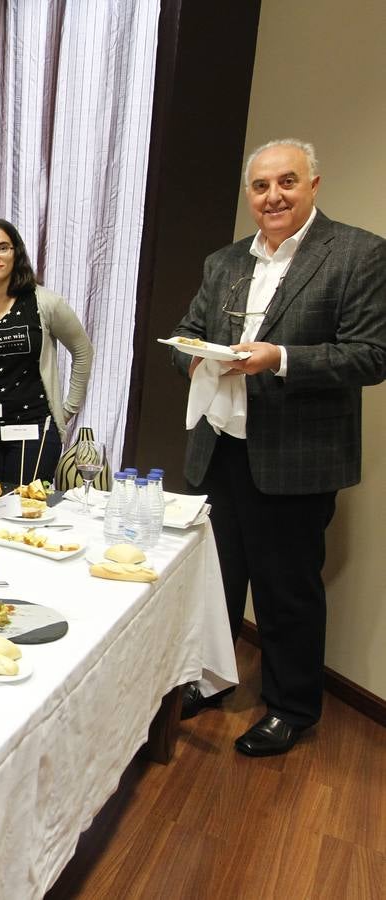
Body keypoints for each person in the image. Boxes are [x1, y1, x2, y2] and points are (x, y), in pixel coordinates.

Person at [172, 139, 386, 755]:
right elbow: (187, 332)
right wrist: (190, 361)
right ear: (250, 196)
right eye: (262, 187)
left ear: (314, 185)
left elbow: (371, 356)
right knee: (215, 579)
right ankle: (209, 680)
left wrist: (280, 359)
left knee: (286, 590)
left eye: (287, 182)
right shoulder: (224, 262)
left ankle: (292, 707)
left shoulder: (357, 254)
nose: (274, 197)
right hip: (220, 448)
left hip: (295, 457)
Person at [0, 219, 92, 487]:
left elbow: (83, 351)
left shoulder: (46, 303)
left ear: (16, 252)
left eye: (2, 248)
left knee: (27, 511)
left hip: (33, 427)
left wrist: (68, 409)